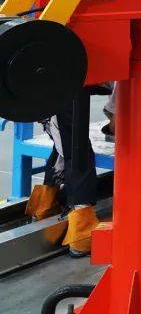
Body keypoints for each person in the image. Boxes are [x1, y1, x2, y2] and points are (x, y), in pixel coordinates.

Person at [24, 89, 102, 257]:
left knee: (66, 144)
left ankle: (45, 206)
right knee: (76, 148)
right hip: (66, 88)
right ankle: (82, 230)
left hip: (46, 91)